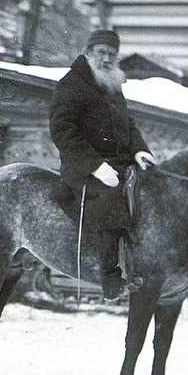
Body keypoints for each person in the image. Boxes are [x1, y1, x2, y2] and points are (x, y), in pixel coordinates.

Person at [49, 28, 157, 301]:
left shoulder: (111, 83)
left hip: (119, 163)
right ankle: (110, 278)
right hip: (83, 166)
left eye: (112, 54)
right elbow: (62, 130)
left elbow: (127, 125)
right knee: (109, 200)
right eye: (101, 53)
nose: (107, 58)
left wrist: (140, 151)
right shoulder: (72, 84)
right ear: (88, 53)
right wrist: (94, 166)